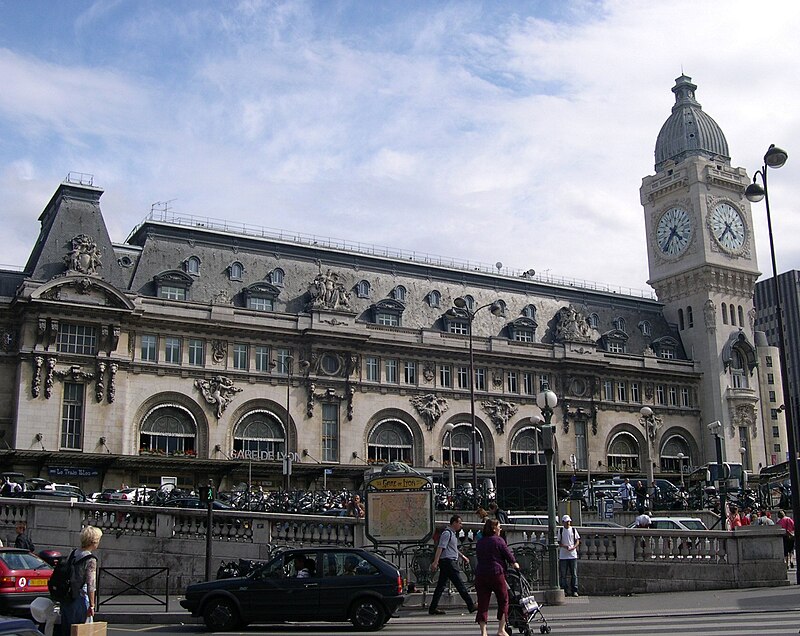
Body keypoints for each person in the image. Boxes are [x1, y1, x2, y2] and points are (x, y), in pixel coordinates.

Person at [474, 519, 518, 636]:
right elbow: (508, 555)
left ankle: (483, 631)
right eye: (499, 526)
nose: (500, 528)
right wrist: (515, 564)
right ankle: (501, 629)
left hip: (481, 574)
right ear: (494, 528)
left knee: (483, 603)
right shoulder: (499, 541)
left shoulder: (480, 542)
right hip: (496, 573)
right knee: (503, 600)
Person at [429, 515, 476, 615]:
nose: (461, 525)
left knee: (440, 586)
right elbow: (440, 548)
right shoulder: (447, 533)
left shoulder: (452, 534)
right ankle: (471, 605)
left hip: (448, 561)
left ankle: (433, 608)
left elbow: (453, 548)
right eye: (459, 523)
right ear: (454, 523)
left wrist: (462, 556)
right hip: (448, 562)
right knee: (460, 584)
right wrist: (435, 562)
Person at [59, 525, 102, 636]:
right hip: (80, 598)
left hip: (66, 597)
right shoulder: (90, 559)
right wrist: (92, 606)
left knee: (66, 629)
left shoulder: (73, 553)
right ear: (94, 542)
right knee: (81, 631)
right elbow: (91, 584)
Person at [558, 515, 580, 597]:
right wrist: (565, 546)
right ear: (563, 522)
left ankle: (574, 590)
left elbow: (577, 540)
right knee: (563, 574)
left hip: (572, 555)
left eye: (569, 522)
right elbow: (559, 542)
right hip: (563, 555)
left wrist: (574, 547)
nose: (568, 523)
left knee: (574, 574)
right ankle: (565, 590)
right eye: (566, 522)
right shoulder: (560, 531)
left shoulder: (573, 530)